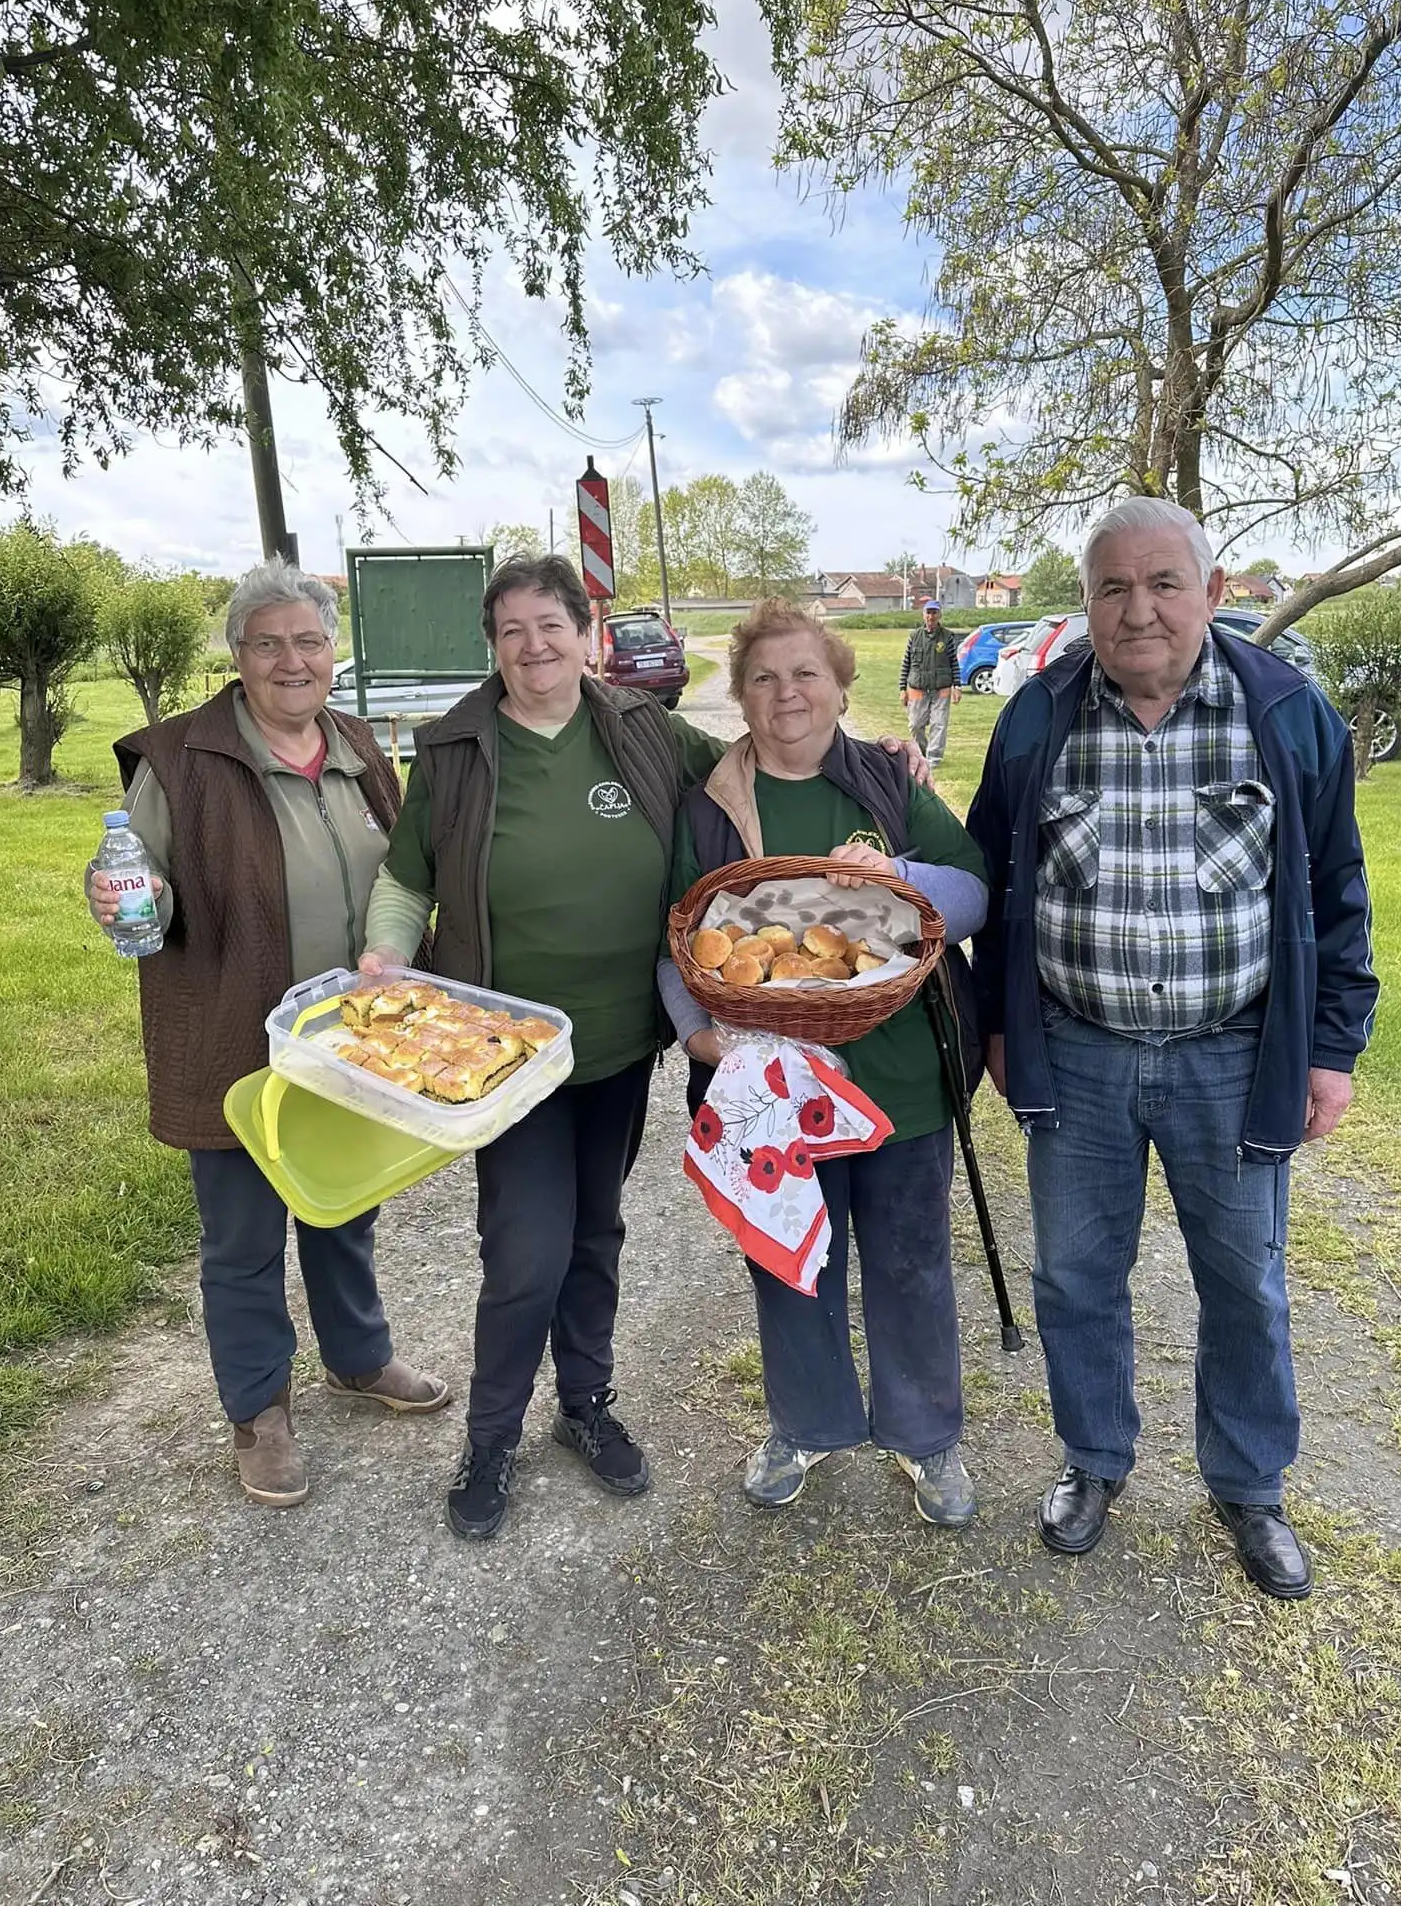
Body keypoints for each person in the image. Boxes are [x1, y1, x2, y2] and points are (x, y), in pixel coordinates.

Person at [360, 558, 933, 1543]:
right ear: (491, 645)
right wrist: (384, 952)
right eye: (511, 630)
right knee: (526, 1251)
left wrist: (875, 755)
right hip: (506, 1051)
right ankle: (491, 1439)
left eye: (551, 624)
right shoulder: (454, 750)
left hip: (619, 1041)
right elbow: (407, 878)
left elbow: (757, 755)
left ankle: (584, 1405)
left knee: (595, 1233)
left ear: (585, 635)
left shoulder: (640, 726)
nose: (534, 646)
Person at [967, 498, 1377, 1599]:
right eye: (1111, 587)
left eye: (1163, 583)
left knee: (1245, 1282)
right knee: (1074, 1276)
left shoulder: (1285, 713)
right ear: (1086, 602)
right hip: (1079, 1051)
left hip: (1233, 1055)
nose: (1137, 609)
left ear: (1212, 590)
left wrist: (1331, 1050)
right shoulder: (1037, 716)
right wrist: (998, 1023)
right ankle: (1094, 1458)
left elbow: (1340, 891)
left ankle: (1249, 1483)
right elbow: (993, 884)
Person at [92, 562, 449, 1511]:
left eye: (310, 642)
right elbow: (139, 887)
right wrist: (129, 897)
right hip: (236, 1035)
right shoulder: (180, 759)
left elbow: (403, 871)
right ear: (239, 656)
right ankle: (258, 1411)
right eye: (268, 644)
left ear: (334, 652)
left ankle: (358, 1357)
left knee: (344, 1206)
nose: (293, 661)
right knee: (243, 1237)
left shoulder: (359, 745)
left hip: (354, 1039)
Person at [661, 598, 989, 1526]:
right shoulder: (710, 809)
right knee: (789, 1261)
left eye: (807, 673)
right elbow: (674, 938)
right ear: (741, 696)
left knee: (911, 1261)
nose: (787, 693)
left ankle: (925, 1436)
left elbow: (973, 893)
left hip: (899, 1079)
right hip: (771, 1091)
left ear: (842, 688)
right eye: (763, 678)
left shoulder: (886, 782)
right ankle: (806, 1424)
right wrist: (697, 1035)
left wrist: (902, 878)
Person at [898, 598, 961, 767]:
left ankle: (934, 759)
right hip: (917, 688)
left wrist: (957, 686)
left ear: (939, 615)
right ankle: (921, 753)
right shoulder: (914, 636)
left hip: (941, 688)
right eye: (928, 612)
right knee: (915, 724)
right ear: (923, 615)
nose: (931, 616)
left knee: (938, 724)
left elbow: (954, 663)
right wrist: (902, 688)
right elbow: (906, 663)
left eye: (934, 613)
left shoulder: (947, 636)